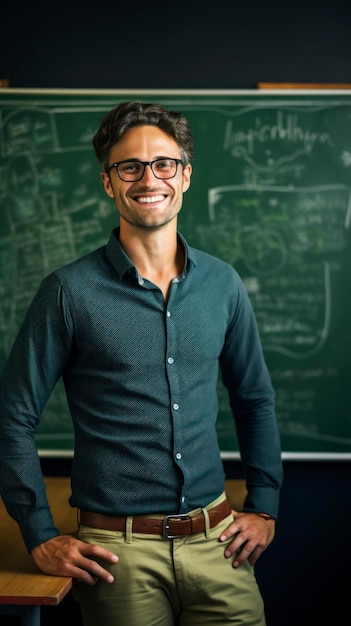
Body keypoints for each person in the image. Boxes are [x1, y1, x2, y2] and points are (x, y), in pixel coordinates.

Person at [0, 101, 283, 626]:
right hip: (117, 556)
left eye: (163, 164)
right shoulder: (67, 292)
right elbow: (11, 416)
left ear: (186, 175)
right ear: (109, 182)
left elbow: (254, 398)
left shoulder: (223, 283)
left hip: (220, 544)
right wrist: (38, 532)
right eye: (129, 166)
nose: (147, 178)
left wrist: (264, 504)